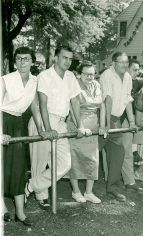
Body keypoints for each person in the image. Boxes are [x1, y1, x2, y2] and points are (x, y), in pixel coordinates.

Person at [25, 45, 86, 208]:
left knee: (64, 163)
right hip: (43, 120)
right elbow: (42, 104)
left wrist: (80, 125)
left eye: (70, 59)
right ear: (56, 58)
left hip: (61, 122)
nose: (67, 61)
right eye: (64, 57)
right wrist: (46, 128)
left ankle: (31, 185)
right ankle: (41, 196)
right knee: (39, 161)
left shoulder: (71, 77)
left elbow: (74, 102)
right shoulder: (45, 75)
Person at [0, 47, 39, 226]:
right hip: (3, 121)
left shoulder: (35, 81)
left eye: (26, 59)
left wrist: (42, 129)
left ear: (32, 61)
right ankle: (3, 210)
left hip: (18, 124)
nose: (23, 62)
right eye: (19, 59)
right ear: (15, 61)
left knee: (18, 168)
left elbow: (34, 107)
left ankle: (20, 213)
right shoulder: (6, 80)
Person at [99, 52, 137, 202]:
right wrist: (108, 124)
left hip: (116, 118)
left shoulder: (127, 77)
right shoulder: (107, 75)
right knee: (92, 150)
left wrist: (132, 121)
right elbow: (107, 99)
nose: (124, 65)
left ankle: (112, 187)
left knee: (118, 152)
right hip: (102, 116)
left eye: (126, 62)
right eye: (121, 62)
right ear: (114, 62)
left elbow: (128, 99)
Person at [67, 61, 106, 203]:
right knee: (75, 159)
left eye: (92, 74)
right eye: (87, 74)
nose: (90, 77)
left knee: (92, 160)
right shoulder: (75, 85)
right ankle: (76, 191)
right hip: (78, 124)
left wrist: (102, 125)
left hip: (93, 126)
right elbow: (72, 108)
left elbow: (102, 106)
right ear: (79, 74)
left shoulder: (96, 85)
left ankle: (89, 192)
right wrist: (80, 126)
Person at [118, 59, 143, 195]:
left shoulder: (138, 85)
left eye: (138, 70)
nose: (137, 72)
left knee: (127, 151)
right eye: (134, 69)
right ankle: (112, 179)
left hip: (128, 120)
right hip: (114, 118)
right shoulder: (117, 81)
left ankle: (129, 181)